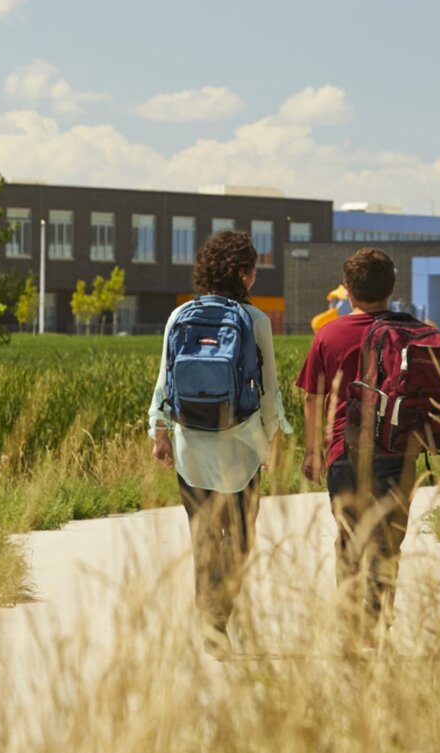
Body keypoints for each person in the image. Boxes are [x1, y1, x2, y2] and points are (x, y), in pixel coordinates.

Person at [149, 230, 290, 657]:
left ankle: (210, 622)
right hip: (240, 448)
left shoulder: (180, 316)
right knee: (241, 540)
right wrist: (274, 442)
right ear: (245, 275)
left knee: (204, 538)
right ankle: (218, 616)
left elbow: (164, 380)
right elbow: (268, 389)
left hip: (191, 444)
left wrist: (159, 431)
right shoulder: (255, 320)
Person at [295, 247, 417, 648]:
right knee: (388, 541)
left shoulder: (329, 334)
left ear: (347, 291)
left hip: (343, 454)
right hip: (398, 453)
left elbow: (313, 397)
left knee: (349, 536)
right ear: (392, 288)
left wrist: (312, 451)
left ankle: (350, 623)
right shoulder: (412, 331)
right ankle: (376, 620)